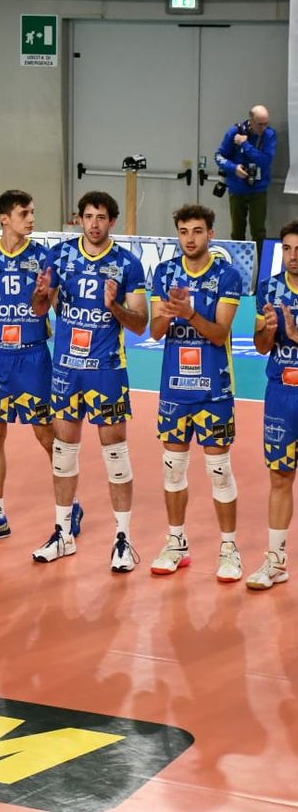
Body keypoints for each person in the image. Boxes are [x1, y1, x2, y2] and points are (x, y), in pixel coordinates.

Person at [31, 191, 147, 571]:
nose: (94, 224)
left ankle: (123, 540)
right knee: (63, 453)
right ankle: (63, 534)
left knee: (115, 455)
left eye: (101, 218)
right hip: (66, 370)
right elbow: (40, 309)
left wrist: (115, 307)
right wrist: (40, 295)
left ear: (112, 222)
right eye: (88, 217)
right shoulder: (60, 256)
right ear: (78, 219)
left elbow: (141, 323)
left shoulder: (127, 264)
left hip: (107, 371)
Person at [0, 189, 82, 545]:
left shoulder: (44, 257)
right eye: (24, 213)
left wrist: (47, 294)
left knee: (47, 436)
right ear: (5, 218)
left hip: (33, 358)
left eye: (32, 212)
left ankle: (70, 507)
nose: (31, 219)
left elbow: (59, 308)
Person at [149, 204, 243, 582]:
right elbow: (155, 332)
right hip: (174, 390)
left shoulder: (227, 276)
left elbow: (220, 334)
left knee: (219, 471)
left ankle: (229, 549)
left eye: (198, 231)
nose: (190, 238)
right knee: (173, 470)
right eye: (184, 231)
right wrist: (168, 313)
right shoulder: (165, 272)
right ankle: (176, 544)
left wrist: (189, 314)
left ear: (211, 234)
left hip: (213, 390)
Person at [246, 219, 298, 590]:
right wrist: (268, 331)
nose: (293, 256)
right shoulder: (269, 288)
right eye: (288, 249)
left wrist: (296, 333)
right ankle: (276, 562)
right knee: (280, 477)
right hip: (281, 394)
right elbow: (261, 346)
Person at [214, 104, 277, 257]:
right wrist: (234, 168)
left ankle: (260, 266)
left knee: (258, 231)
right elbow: (219, 156)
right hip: (237, 188)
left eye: (266, 123)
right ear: (251, 120)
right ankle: (238, 265)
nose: (263, 127)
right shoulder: (234, 132)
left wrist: (245, 144)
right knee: (237, 231)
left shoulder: (269, 135)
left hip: (258, 189)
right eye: (260, 124)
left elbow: (265, 161)